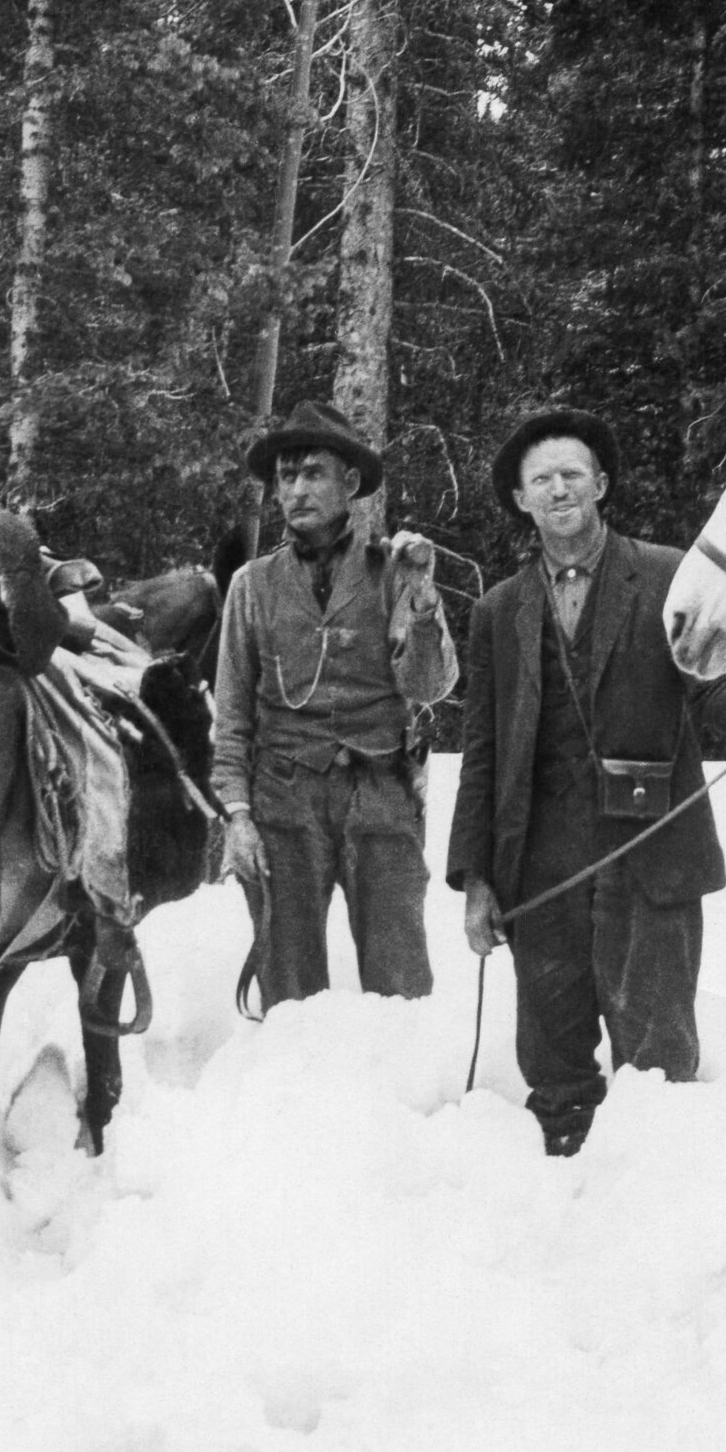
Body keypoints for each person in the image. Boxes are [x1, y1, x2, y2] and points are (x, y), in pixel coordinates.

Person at [446, 409, 726, 1157]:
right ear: (520, 500)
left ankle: (657, 1216)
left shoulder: (672, 576)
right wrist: (478, 878)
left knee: (659, 1065)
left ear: (602, 484)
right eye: (539, 479)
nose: (558, 489)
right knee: (552, 1068)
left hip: (651, 858)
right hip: (540, 871)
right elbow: (482, 753)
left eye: (572, 473)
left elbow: (710, 693)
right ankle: (563, 1213)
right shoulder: (497, 612)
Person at [212, 399, 457, 1004]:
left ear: (350, 482)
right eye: (286, 476)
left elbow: (429, 686)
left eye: (313, 473)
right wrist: (238, 818)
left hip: (379, 791)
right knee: (288, 987)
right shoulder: (252, 585)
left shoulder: (394, 570)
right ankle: (298, 1097)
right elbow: (233, 717)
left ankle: (400, 1096)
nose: (296, 490)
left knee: (400, 984)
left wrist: (423, 596)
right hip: (284, 799)